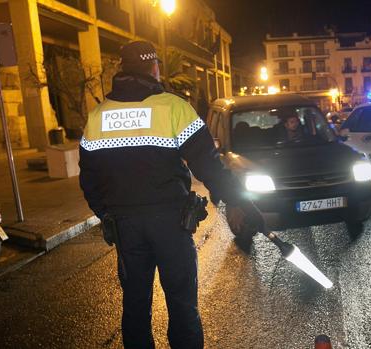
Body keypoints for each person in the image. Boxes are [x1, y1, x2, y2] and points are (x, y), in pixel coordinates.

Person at [78, 41, 263, 349]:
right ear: (154, 68)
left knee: (135, 308)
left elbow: (88, 179)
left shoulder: (97, 116)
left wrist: (106, 213)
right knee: (181, 305)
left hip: (126, 226)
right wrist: (240, 199)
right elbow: (208, 165)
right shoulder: (173, 107)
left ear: (122, 70)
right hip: (171, 224)